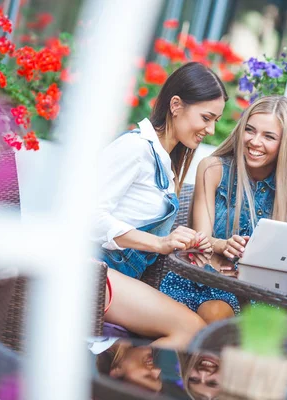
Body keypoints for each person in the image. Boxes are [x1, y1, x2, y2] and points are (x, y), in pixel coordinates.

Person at [91, 62, 228, 346]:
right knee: (193, 330)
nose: (211, 129)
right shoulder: (135, 149)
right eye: (206, 117)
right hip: (89, 272)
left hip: (116, 277)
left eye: (215, 120)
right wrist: (161, 244)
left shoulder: (164, 163)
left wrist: (182, 247)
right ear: (176, 105)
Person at [160, 95, 287, 323]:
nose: (254, 141)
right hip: (205, 281)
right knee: (217, 313)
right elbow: (200, 238)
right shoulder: (212, 168)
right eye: (250, 130)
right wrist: (223, 244)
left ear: (285, 144)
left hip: (261, 294)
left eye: (269, 136)